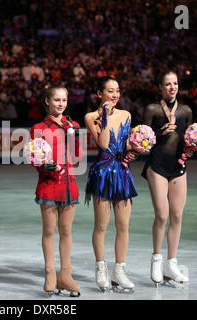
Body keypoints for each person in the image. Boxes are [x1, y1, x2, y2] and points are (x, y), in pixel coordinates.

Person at [84, 76, 144, 293]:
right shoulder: (91, 117)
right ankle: (101, 268)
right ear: (99, 94)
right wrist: (106, 119)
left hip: (122, 171)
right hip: (102, 172)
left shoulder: (126, 114)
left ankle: (119, 271)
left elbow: (126, 144)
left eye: (117, 90)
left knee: (123, 225)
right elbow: (104, 143)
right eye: (110, 91)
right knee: (101, 225)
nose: (115, 95)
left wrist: (138, 146)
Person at [141, 71, 193, 288]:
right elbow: (143, 139)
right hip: (157, 167)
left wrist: (192, 148)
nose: (172, 87)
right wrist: (160, 133)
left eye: (175, 84)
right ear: (160, 87)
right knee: (162, 215)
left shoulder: (186, 111)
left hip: (178, 167)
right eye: (167, 84)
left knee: (177, 215)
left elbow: (188, 139)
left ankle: (171, 264)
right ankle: (156, 259)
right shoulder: (152, 110)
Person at [29, 84, 83, 297]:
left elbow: (77, 156)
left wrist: (74, 136)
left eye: (64, 100)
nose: (60, 104)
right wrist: (42, 166)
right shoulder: (38, 128)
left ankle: (65, 275)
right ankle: (50, 273)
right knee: (50, 231)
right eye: (56, 100)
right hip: (49, 184)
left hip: (69, 184)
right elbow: (34, 156)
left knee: (67, 231)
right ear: (47, 101)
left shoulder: (73, 125)